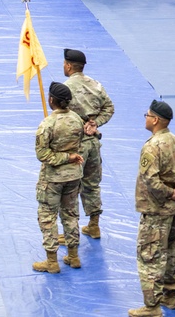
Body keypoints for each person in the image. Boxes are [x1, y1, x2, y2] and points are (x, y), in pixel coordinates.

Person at [131, 100, 175, 317]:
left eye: (147, 115)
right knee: (172, 252)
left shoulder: (152, 146)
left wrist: (169, 192)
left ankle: (151, 306)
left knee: (150, 256)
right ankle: (170, 295)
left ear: (155, 119)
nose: (145, 118)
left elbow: (150, 179)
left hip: (156, 210)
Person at [32, 82, 85, 273]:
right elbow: (80, 145)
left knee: (47, 217)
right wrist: (71, 157)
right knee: (70, 215)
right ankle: (73, 256)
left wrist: (64, 157)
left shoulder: (47, 124)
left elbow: (42, 154)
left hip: (53, 178)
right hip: (73, 176)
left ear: (52, 100)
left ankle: (52, 262)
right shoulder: (77, 119)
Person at [62, 49, 114, 239]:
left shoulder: (66, 88)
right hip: (93, 143)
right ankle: (94, 225)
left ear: (68, 65)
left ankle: (70, 231)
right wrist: (95, 123)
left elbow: (62, 117)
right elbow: (109, 108)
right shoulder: (96, 85)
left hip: (75, 145)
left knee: (70, 187)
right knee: (92, 184)